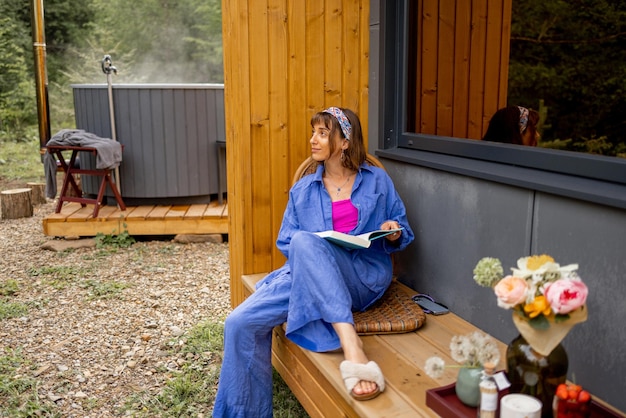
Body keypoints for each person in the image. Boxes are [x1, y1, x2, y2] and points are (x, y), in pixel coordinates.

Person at [212, 107, 414, 417]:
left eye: (322, 133)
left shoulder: (377, 181)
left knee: (306, 240)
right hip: (309, 276)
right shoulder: (303, 189)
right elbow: (286, 242)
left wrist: (391, 231)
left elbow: (402, 227)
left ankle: (352, 347)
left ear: (344, 142)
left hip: (360, 278)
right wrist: (316, 251)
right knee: (238, 323)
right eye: (313, 132)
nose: (313, 140)